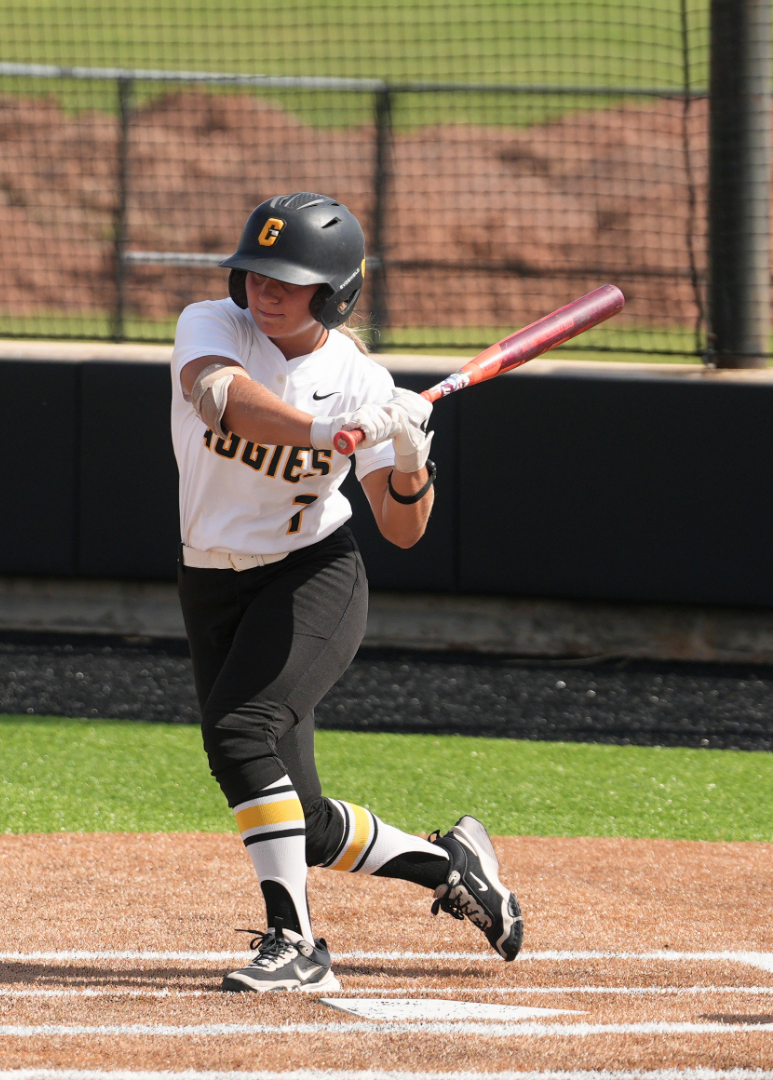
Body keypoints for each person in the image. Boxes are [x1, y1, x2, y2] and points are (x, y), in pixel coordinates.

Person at [170, 192, 525, 993]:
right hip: (211, 580)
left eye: (288, 280)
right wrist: (327, 432)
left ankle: (295, 945)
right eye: (255, 272)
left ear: (333, 293)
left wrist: (408, 459)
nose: (264, 289)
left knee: (238, 733)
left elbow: (403, 529)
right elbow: (219, 398)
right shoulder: (210, 326)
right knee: (304, 816)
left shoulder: (362, 379)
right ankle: (451, 864)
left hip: (312, 576)